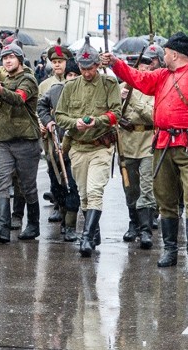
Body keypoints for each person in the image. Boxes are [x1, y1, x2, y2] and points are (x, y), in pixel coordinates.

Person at [102, 32, 188, 270]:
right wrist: (116, 64)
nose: (163, 55)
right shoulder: (160, 76)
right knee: (166, 199)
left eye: (166, 52)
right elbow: (137, 78)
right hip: (163, 144)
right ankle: (170, 251)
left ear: (175, 54)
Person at [55, 36, 121, 258]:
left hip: (101, 146)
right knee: (83, 194)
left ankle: (86, 237)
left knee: (95, 190)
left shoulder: (109, 85)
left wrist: (97, 121)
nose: (86, 72)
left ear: (98, 65)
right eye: (83, 68)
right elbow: (59, 115)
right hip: (77, 147)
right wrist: (75, 123)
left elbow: (116, 113)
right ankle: (94, 231)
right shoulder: (71, 86)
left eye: (90, 67)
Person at [0, 43, 41, 243]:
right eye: (4, 58)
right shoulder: (3, 79)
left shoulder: (28, 79)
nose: (7, 60)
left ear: (20, 59)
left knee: (27, 185)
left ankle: (33, 224)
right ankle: (2, 226)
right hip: (4, 138)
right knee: (0, 180)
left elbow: (18, 99)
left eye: (12, 57)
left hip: (26, 140)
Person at [116, 46, 161, 250]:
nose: (142, 69)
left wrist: (132, 99)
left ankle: (145, 230)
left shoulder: (155, 88)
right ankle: (133, 224)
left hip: (147, 142)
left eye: (145, 65)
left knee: (146, 187)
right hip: (126, 142)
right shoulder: (121, 88)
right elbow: (111, 113)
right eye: (138, 65)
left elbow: (153, 115)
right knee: (130, 188)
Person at [38, 58, 82, 241]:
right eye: (69, 75)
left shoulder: (84, 93)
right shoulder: (56, 90)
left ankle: (70, 226)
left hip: (77, 148)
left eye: (75, 75)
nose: (71, 78)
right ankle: (63, 218)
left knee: (72, 186)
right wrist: (48, 122)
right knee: (58, 187)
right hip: (55, 147)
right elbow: (41, 106)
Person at [38, 44, 74, 224]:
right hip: (51, 135)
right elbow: (39, 109)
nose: (57, 65)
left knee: (71, 171)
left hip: (70, 133)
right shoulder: (45, 85)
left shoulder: (75, 81)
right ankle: (59, 206)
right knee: (54, 170)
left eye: (60, 62)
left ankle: (72, 207)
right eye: (54, 62)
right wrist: (43, 124)